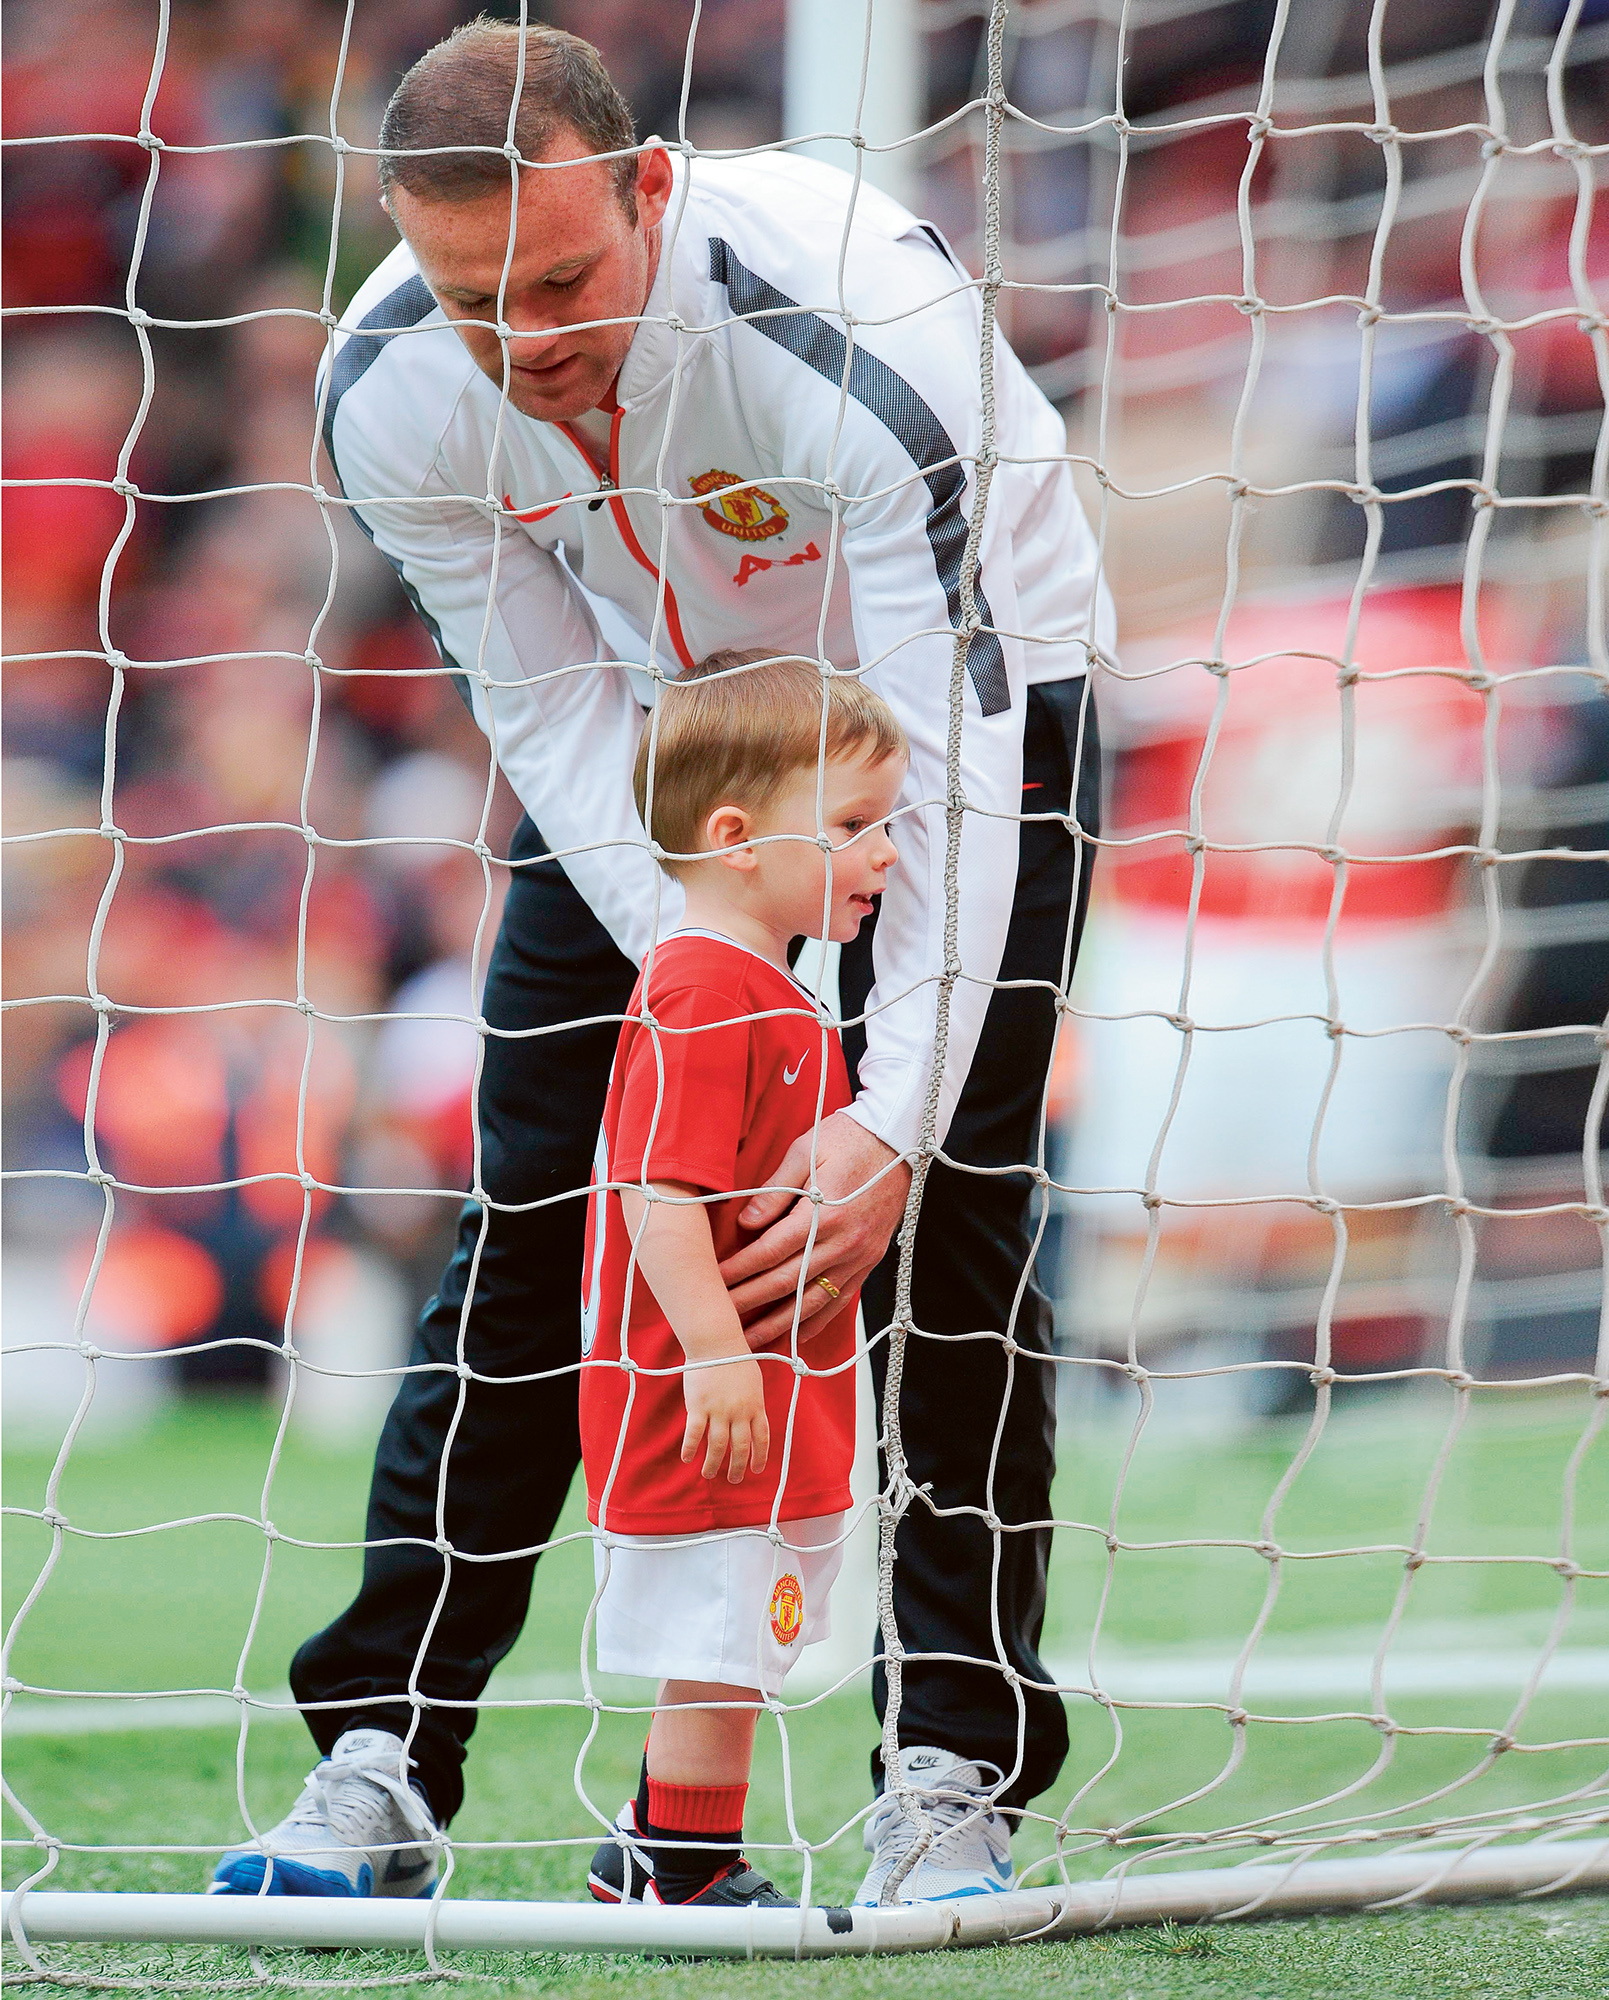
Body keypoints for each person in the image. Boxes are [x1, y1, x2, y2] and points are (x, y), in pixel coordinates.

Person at [212, 17, 1112, 1906]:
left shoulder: (848, 333)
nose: (523, 339)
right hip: (666, 740)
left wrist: (878, 1115)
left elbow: (945, 756)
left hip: (958, 712)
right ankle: (383, 1757)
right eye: (478, 298)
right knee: (541, 1209)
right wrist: (723, 980)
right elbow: (546, 713)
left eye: (560, 283)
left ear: (647, 189)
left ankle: (945, 1768)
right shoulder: (389, 385)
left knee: (944, 1223)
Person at [582, 650, 905, 1910]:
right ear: (735, 837)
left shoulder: (769, 982)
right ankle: (680, 1865)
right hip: (704, 1382)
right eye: (854, 824)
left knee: (741, 1630)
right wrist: (718, 1352)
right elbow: (655, 1194)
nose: (885, 853)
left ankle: (651, 1848)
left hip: (768, 1373)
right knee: (720, 1634)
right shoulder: (703, 986)